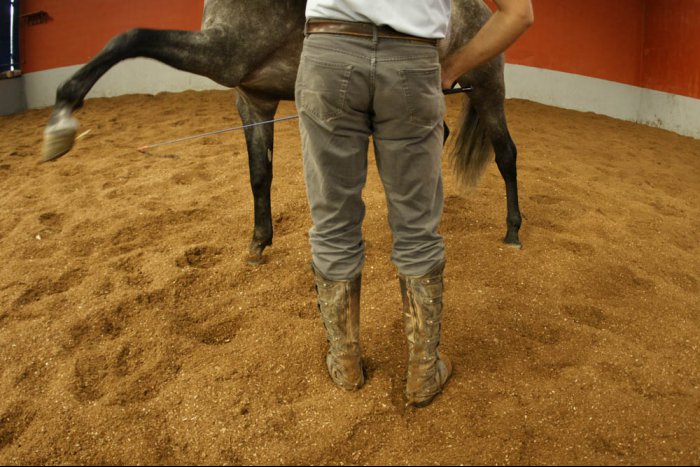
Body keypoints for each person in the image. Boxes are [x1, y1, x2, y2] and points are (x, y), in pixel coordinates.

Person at [295, 0, 534, 408]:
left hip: (328, 54)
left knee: (333, 221)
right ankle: (424, 371)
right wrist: (452, 68)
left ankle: (345, 362)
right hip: (412, 62)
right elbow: (519, 13)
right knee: (417, 228)